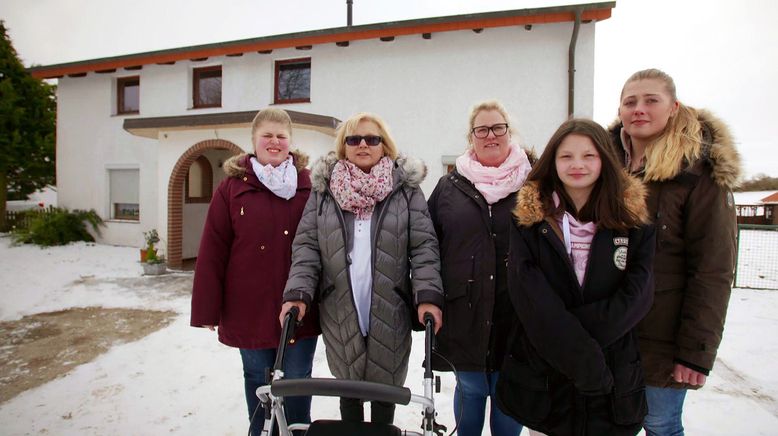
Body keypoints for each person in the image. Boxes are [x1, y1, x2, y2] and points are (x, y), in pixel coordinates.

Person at [279, 112, 444, 424]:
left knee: (386, 389)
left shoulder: (406, 190)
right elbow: (307, 247)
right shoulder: (324, 192)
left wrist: (428, 296)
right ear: (344, 146)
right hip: (339, 305)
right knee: (348, 387)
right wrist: (298, 292)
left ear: (385, 145)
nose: (363, 145)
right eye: (354, 139)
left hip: (389, 303)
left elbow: (424, 247)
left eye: (372, 138)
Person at [495, 118, 656, 435]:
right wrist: (578, 355)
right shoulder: (528, 220)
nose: (577, 165)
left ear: (604, 160)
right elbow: (529, 295)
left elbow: (638, 295)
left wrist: (580, 350)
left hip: (611, 380)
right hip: (546, 380)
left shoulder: (634, 221)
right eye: (566, 156)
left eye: (588, 155)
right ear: (552, 162)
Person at [609, 68, 742, 435]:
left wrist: (694, 351)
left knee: (660, 422)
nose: (639, 109)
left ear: (673, 107)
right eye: (630, 101)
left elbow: (713, 269)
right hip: (606, 331)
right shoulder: (602, 165)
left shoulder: (699, 175)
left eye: (651, 100)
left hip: (661, 341)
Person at [190, 108, 320, 435]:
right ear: (253, 141)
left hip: (301, 307)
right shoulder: (231, 189)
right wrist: (207, 309)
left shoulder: (310, 186)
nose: (274, 142)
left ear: (290, 142)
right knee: (258, 380)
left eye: (281, 136)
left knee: (297, 379)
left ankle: (298, 432)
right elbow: (213, 250)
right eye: (267, 135)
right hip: (247, 307)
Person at [427, 99, 532, 436]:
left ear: (509, 132)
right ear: (470, 137)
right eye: (482, 129)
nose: (491, 135)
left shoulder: (533, 185)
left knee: (509, 400)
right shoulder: (449, 188)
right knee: (470, 395)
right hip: (464, 317)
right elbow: (428, 246)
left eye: (498, 127)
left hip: (516, 318)